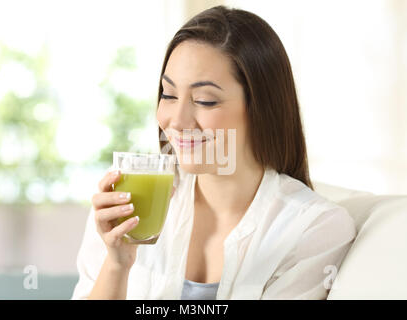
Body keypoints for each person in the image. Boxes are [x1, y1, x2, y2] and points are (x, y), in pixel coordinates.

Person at [71, 5, 356, 300]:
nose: (177, 121)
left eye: (205, 101)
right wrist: (118, 265)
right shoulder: (129, 204)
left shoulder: (314, 229)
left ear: (261, 109)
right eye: (168, 95)